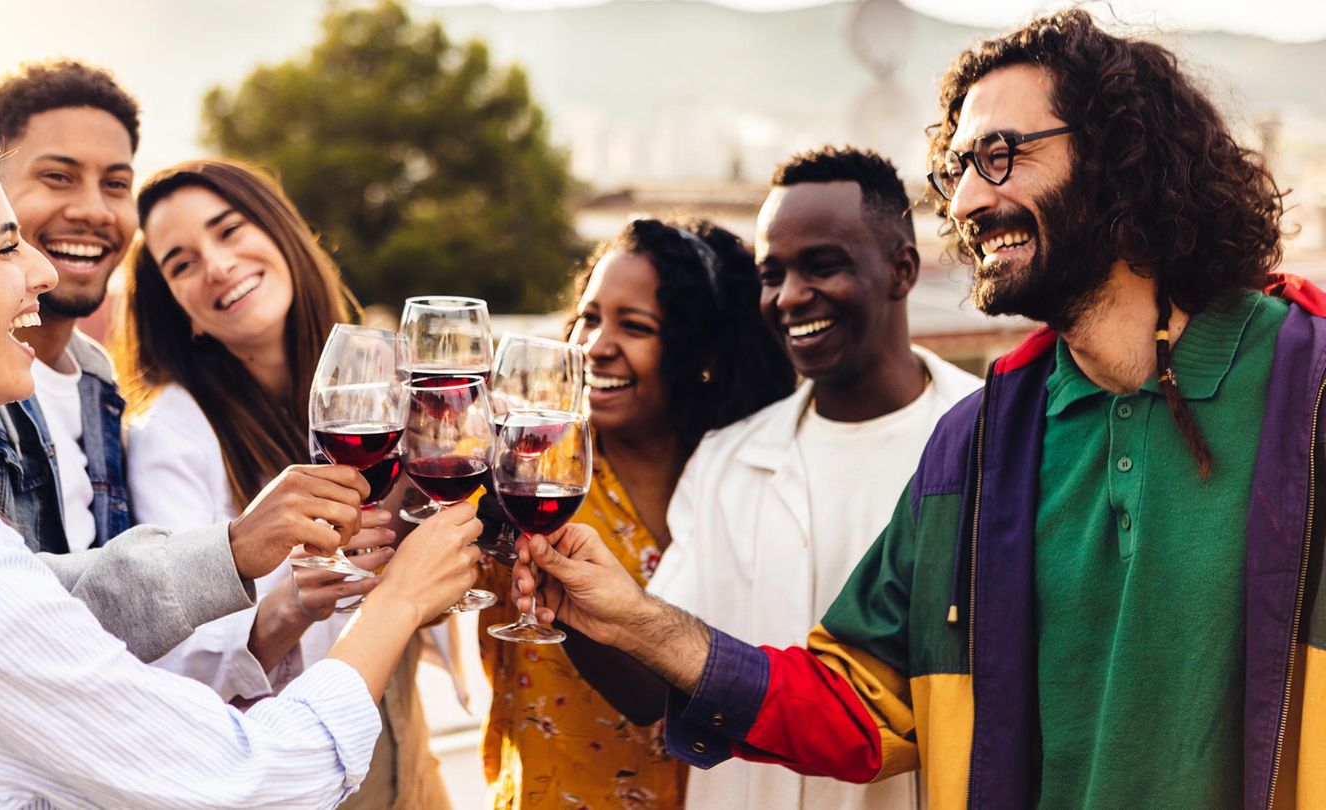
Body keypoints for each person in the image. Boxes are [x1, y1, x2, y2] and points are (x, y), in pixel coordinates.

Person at [509, 11, 1326, 808]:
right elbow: (858, 702)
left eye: (1001, 155)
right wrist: (634, 619)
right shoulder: (977, 447)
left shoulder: (1308, 392)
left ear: (1123, 156)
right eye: (958, 167)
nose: (966, 200)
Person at [0, 131, 482, 807]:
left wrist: (236, 551)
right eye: (5, 245)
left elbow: (59, 598)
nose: (45, 274)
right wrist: (399, 598)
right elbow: (249, 777)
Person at [575, 148, 980, 810]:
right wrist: (568, 593)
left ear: (902, 268)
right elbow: (656, 684)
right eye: (772, 273)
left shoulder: (988, 448)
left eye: (822, 266)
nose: (790, 297)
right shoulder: (726, 460)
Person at [117, 158, 446, 809]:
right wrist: (290, 606)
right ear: (182, 310)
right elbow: (177, 667)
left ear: (282, 234)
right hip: (290, 764)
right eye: (181, 263)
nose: (215, 263)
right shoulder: (174, 432)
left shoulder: (378, 388)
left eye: (229, 229)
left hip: (406, 747)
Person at [476, 218, 795, 810]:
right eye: (590, 317)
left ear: (699, 353)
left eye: (636, 326)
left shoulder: (741, 474)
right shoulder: (528, 470)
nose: (597, 346)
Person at [0, 59, 138, 553]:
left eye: (116, 184)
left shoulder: (98, 377)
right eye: (59, 177)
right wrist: (228, 554)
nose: (94, 210)